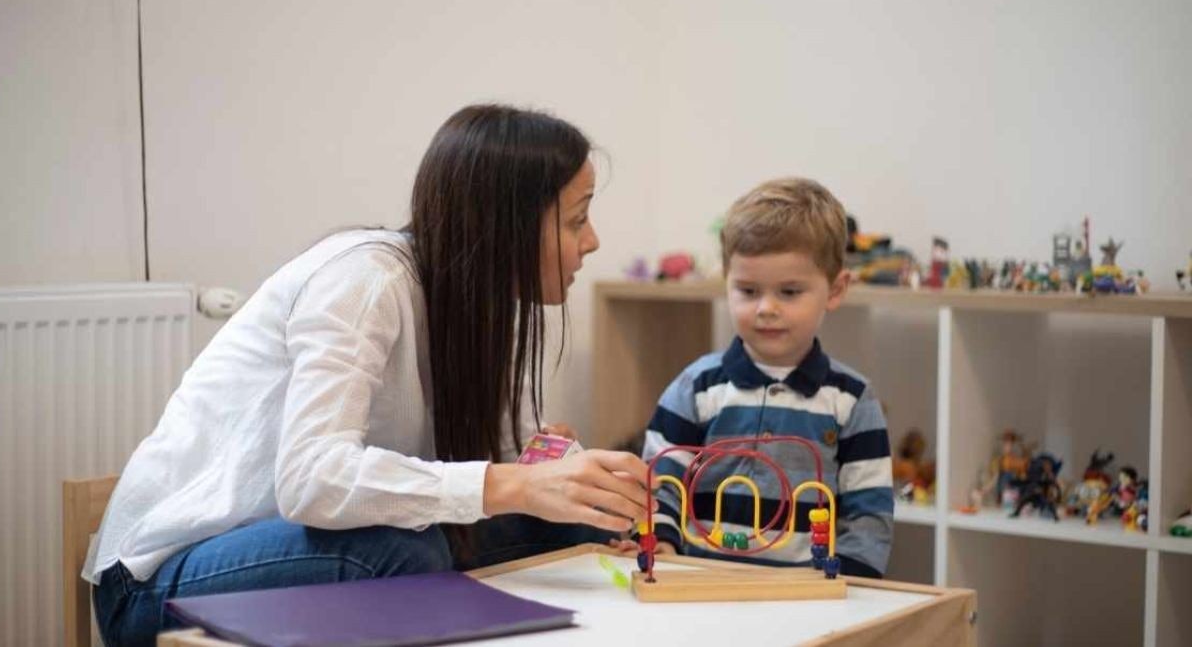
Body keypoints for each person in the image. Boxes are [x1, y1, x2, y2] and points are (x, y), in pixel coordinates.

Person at [86, 104, 651, 646]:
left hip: (313, 553)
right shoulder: (366, 281)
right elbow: (313, 482)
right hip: (155, 585)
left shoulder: (482, 306)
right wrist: (516, 484)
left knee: (569, 522)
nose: (593, 240)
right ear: (508, 224)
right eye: (577, 219)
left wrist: (582, 485)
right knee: (400, 551)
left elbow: (516, 455)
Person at [636, 177, 893, 577]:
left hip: (806, 599)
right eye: (748, 290)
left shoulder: (852, 399)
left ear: (836, 289)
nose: (766, 308)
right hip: (696, 585)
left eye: (789, 292)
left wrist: (848, 583)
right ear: (726, 281)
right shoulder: (697, 386)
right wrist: (663, 542)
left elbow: (869, 512)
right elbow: (660, 478)